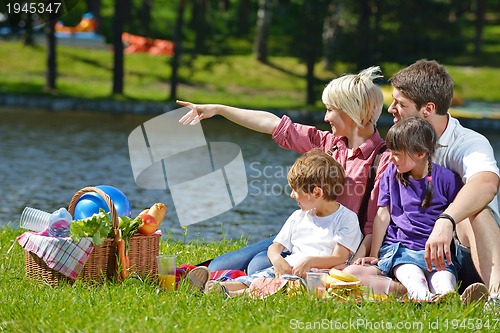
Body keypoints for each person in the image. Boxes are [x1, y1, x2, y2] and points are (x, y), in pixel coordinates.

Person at [177, 66, 390, 274]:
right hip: (303, 235)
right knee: (218, 266)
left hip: (334, 248)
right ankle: (221, 276)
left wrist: (357, 265)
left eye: (331, 109)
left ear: (353, 112)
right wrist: (219, 109)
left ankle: (241, 281)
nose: (325, 118)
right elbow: (274, 125)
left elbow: (372, 224)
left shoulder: (382, 159)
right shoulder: (328, 144)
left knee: (258, 266)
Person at [386, 59, 499, 308]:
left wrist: (446, 220)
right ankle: (433, 295)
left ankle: (496, 298)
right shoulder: (398, 147)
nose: (391, 109)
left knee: (477, 210)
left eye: (400, 104)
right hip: (418, 254)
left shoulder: (468, 142)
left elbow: (487, 183)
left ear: (427, 109)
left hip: (468, 251)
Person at [201, 150, 362, 296]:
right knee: (257, 278)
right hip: (288, 269)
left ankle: (231, 293)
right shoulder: (298, 216)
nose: (292, 195)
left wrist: (310, 261)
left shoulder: (346, 218)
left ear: (316, 192)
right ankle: (215, 286)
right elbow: (274, 247)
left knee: (282, 286)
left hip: (315, 276)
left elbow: (339, 257)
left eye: (296, 191)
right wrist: (277, 259)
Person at [348, 116, 462, 301]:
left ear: (420, 153)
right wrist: (375, 254)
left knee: (443, 280)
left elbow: (460, 214)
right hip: (401, 251)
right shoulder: (391, 174)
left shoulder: (448, 179)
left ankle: (448, 297)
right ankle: (422, 297)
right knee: (412, 276)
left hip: (436, 254)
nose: (391, 158)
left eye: (397, 154)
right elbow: (382, 215)